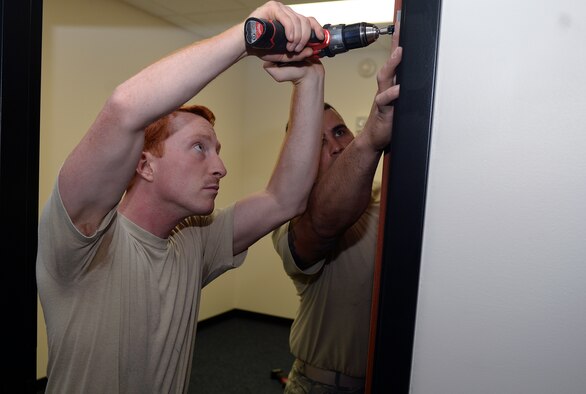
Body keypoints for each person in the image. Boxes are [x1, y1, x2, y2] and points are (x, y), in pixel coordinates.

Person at [36, 2, 327, 393]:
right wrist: (247, 35)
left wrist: (309, 80)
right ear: (144, 164)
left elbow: (284, 199)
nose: (220, 167)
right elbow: (125, 108)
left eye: (217, 150)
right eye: (199, 148)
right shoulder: (82, 239)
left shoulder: (194, 239)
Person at [272, 35, 403, 393]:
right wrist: (370, 139)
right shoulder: (292, 218)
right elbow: (324, 222)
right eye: (316, 142)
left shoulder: (387, 198)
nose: (334, 147)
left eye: (340, 132)